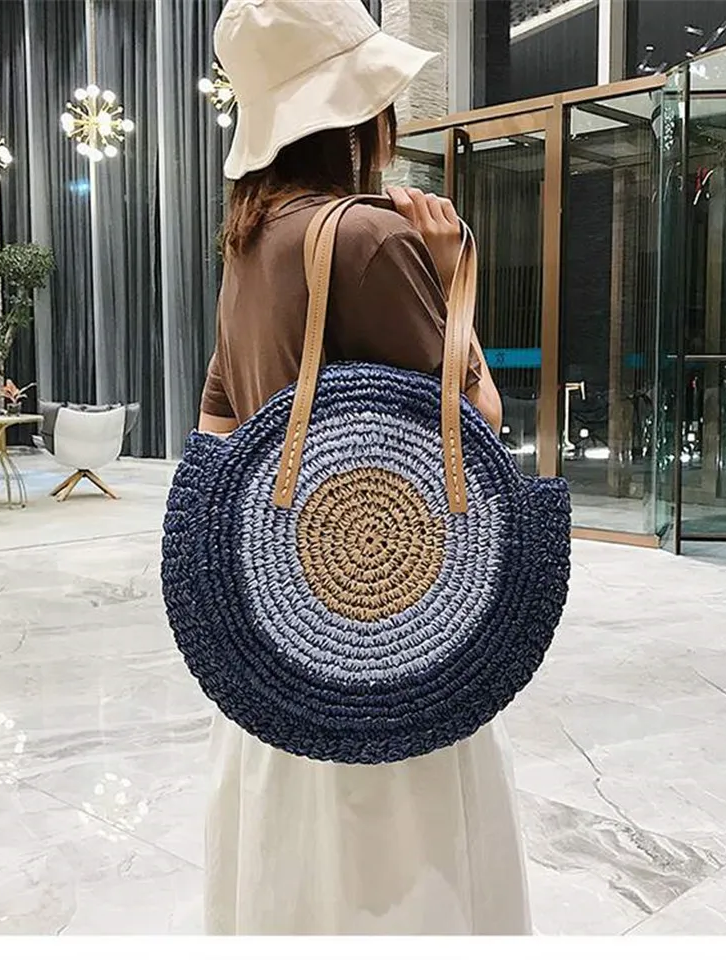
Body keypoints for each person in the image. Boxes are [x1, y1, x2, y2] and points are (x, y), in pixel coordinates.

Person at [197, 0, 531, 935]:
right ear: (355, 111)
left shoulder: (250, 242)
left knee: (293, 861)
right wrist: (452, 274)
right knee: (397, 869)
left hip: (282, 621)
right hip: (388, 623)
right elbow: (477, 428)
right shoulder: (368, 238)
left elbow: (216, 425)